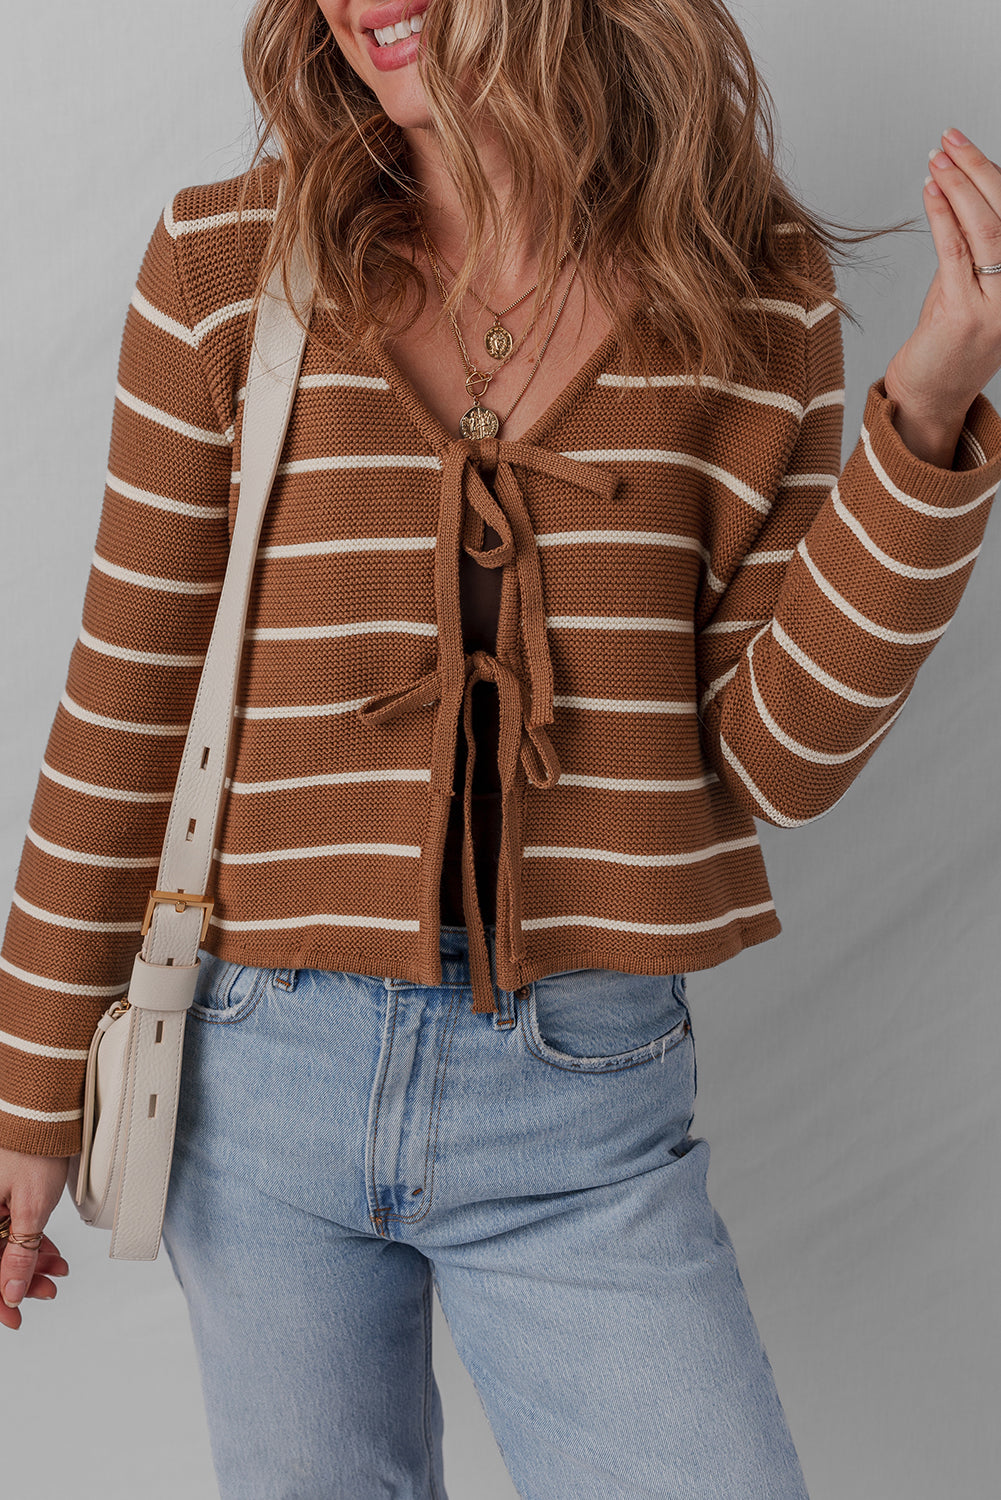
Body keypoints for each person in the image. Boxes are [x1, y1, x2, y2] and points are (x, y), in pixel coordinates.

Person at [2, 1, 1000, 1495]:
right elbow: (123, 702)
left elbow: (776, 759)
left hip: (582, 1095)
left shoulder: (746, 289)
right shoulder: (226, 267)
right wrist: (25, 1100)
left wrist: (925, 415)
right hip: (257, 1079)